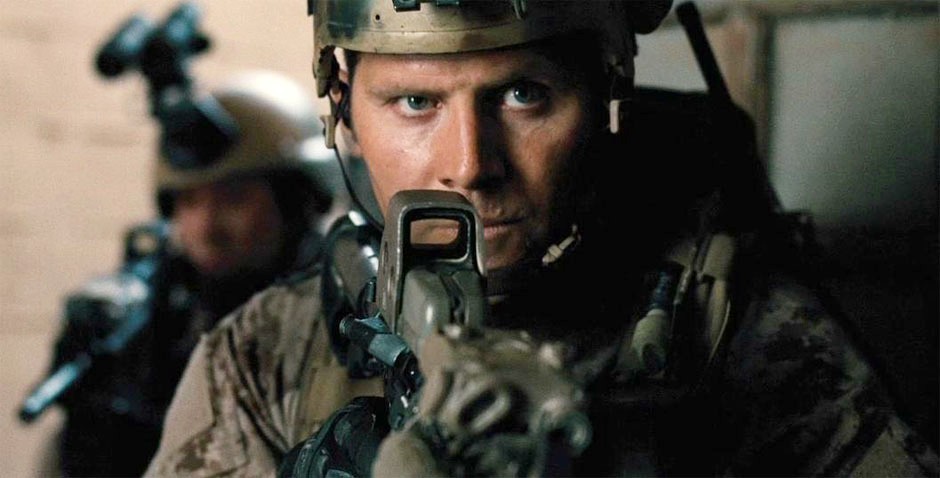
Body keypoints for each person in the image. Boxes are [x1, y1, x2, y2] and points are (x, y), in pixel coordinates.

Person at [144, 1, 940, 477]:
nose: (470, 165)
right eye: (415, 103)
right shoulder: (266, 357)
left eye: (524, 95)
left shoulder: (741, 334)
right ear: (342, 111)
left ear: (604, 97)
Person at [42, 70, 346, 477]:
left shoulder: (343, 309)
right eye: (189, 201)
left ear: (297, 202)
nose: (206, 227)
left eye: (234, 198)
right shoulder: (160, 315)